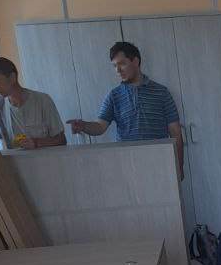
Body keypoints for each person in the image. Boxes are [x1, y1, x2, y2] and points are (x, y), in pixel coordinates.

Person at [68, 41, 184, 180]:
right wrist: (84, 126)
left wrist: (179, 166)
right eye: (114, 66)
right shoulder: (114, 96)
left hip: (159, 163)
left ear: (135, 61)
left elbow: (175, 132)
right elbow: (100, 126)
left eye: (122, 64)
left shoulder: (161, 92)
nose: (118, 70)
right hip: (128, 167)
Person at [0, 57, 66, 150]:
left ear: (12, 78)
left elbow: (62, 140)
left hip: (48, 158)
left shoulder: (42, 100)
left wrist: (36, 143)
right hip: (15, 159)